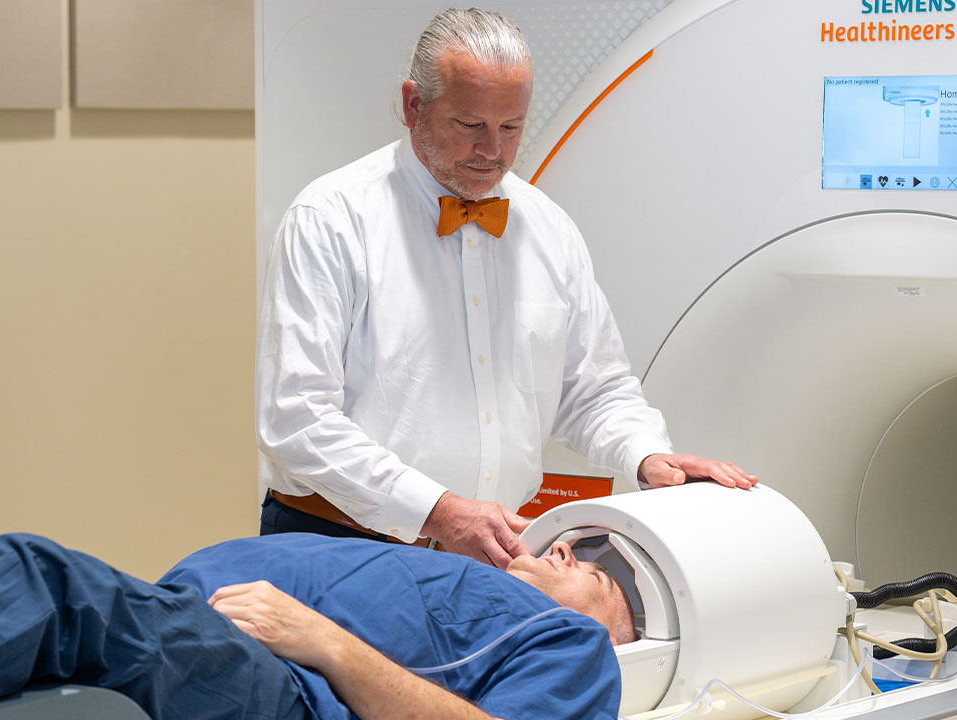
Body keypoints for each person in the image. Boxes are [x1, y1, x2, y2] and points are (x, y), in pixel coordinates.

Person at [256, 8, 757, 568]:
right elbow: (296, 418)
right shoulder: (330, 219)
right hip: (338, 547)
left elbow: (594, 389)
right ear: (413, 104)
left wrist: (647, 456)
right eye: (470, 125)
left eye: (511, 127)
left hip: (489, 557)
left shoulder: (549, 229)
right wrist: (438, 510)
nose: (492, 150)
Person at [0, 532, 630, 720]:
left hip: (286, 690)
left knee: (45, 581)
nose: (564, 548)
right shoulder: (460, 569)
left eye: (592, 578)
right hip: (193, 618)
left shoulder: (576, 645)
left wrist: (324, 641)